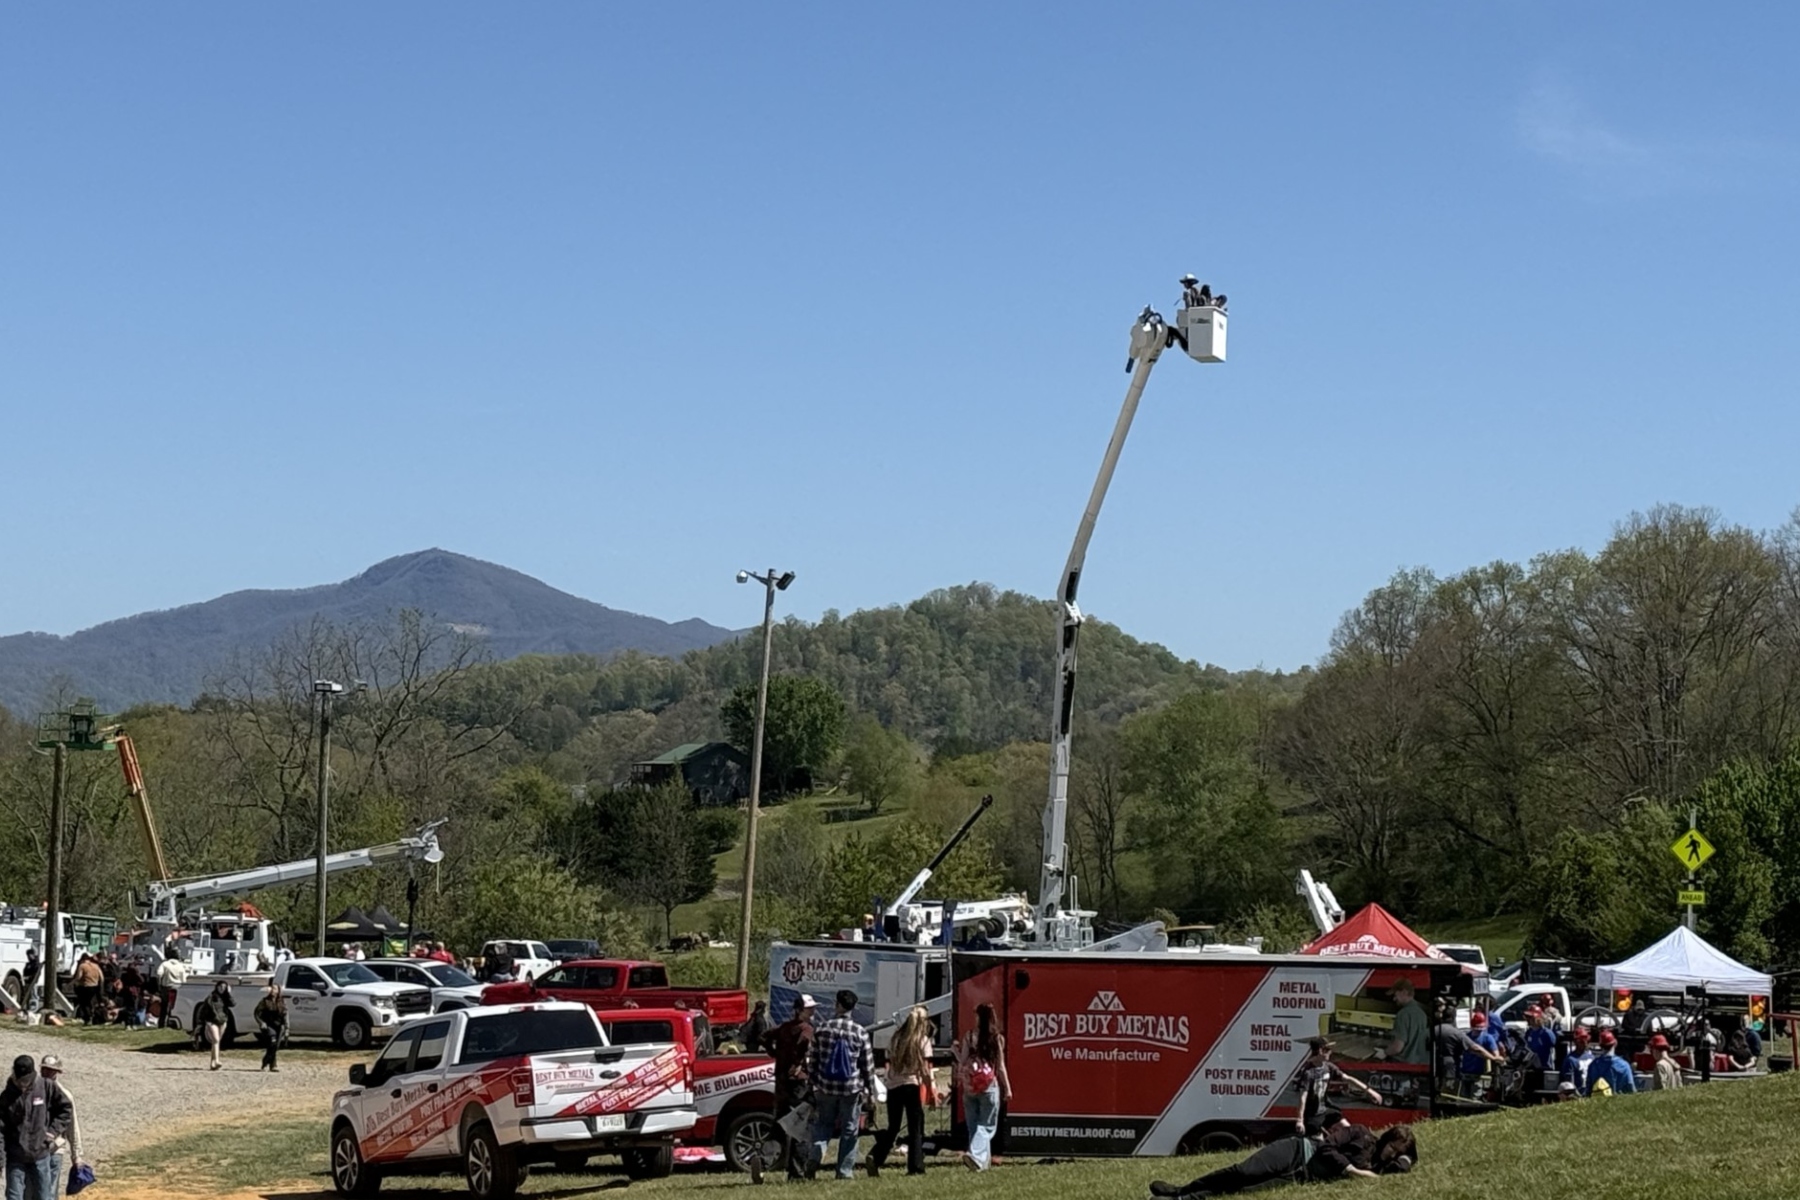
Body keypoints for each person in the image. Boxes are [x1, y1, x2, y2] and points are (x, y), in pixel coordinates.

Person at [1148, 1121, 1415, 1196]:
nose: (1392, 1153)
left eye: (1398, 1152)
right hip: (1298, 1151)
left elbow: (1406, 1165)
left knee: (1244, 1190)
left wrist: (1405, 1156)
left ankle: (1185, 1199)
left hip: (1300, 1175)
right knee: (1243, 1172)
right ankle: (1180, 1190)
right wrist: (1353, 1171)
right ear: (1387, 1138)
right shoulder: (1361, 1134)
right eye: (1393, 1146)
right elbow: (1326, 1147)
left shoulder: (1382, 1166)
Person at [808, 989, 875, 1180]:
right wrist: (870, 1090)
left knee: (823, 1125)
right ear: (853, 1007)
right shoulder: (860, 1032)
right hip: (851, 1088)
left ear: (837, 1005)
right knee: (849, 1130)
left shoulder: (822, 1029)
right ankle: (844, 1171)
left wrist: (813, 1082)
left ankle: (815, 1155)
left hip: (825, 1087)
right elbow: (867, 1065)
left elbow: (813, 1060)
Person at [869, 1006, 935, 1177]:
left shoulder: (896, 1038)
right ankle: (915, 1166)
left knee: (893, 1126)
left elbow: (888, 1061)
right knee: (915, 1128)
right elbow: (925, 1070)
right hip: (911, 1085)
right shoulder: (922, 1040)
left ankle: (876, 1156)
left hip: (893, 1086)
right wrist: (931, 1092)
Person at [1, 1055, 72, 1200]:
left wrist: (52, 1133)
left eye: (26, 1080)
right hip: (16, 1158)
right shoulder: (7, 1096)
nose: (23, 1083)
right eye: (20, 1080)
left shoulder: (46, 1086)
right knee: (14, 1197)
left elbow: (65, 1110)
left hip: (40, 1155)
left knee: (44, 1196)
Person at [954, 1001, 1011, 1171]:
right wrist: (1007, 1088)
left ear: (979, 1017)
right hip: (989, 1086)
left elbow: (963, 1061)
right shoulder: (997, 1038)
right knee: (986, 1126)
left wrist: (955, 1051)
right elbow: (1000, 1066)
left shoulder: (969, 1036)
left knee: (974, 1126)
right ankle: (976, 1156)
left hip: (971, 1086)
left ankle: (981, 1163)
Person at [769, 995, 817, 1180]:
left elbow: (763, 1036)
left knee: (779, 1121)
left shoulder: (784, 1028)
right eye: (809, 1008)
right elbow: (804, 1043)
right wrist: (798, 1063)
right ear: (799, 1010)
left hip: (781, 1079)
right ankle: (796, 1171)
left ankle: (764, 1158)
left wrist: (774, 1053)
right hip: (798, 1082)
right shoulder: (806, 1029)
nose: (812, 1011)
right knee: (799, 1124)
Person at [1293, 1037, 1381, 1137]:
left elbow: (1348, 1078)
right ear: (1321, 1051)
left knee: (1349, 1131)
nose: (1330, 1052)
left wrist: (1369, 1091)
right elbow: (1303, 1097)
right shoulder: (1308, 1072)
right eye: (1328, 1050)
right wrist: (1300, 1120)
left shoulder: (1328, 1067)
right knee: (1317, 1141)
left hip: (1326, 1109)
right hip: (1313, 1115)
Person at [39, 1056, 80, 1196]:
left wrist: (76, 1155)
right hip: (35, 1150)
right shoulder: (33, 1092)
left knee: (50, 1191)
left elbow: (72, 1125)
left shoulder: (65, 1095)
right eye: (44, 1069)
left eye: (51, 1070)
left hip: (55, 1149)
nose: (47, 1073)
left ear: (57, 1072)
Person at [1381, 979, 1430, 1065]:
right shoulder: (1422, 1014)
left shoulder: (1403, 1014)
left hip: (1402, 1063)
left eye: (1395, 995)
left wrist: (1384, 1052)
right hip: (1417, 1063)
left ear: (1404, 992)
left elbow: (1397, 1048)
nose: (1394, 999)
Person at [1459, 1012, 1501, 1098]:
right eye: (1476, 1028)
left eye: (1481, 1028)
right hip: (1465, 1073)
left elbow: (1496, 1054)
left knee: (1476, 1097)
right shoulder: (1466, 1037)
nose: (1478, 1030)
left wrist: (1494, 1057)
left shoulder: (1487, 1038)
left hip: (1479, 1075)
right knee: (1463, 1097)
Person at [1585, 1030, 1636, 1095]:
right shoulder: (1624, 1065)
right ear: (1615, 1044)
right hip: (1619, 1100)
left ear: (1600, 1046)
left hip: (1597, 1100)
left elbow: (1588, 1090)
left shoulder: (1593, 1065)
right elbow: (1630, 1088)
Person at [199, 980, 234, 1071]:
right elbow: (204, 1010)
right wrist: (204, 1021)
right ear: (217, 987)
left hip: (222, 1021)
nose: (222, 989)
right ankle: (217, 1060)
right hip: (212, 1021)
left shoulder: (225, 997)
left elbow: (233, 1004)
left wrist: (229, 994)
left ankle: (212, 1063)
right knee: (216, 1039)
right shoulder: (211, 997)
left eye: (224, 987)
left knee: (216, 1042)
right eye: (220, 987)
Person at [255, 984, 288, 1073]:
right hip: (268, 1025)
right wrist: (261, 1022)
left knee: (275, 1046)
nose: (273, 990)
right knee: (272, 1041)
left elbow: (285, 1015)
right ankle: (267, 1063)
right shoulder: (265, 1001)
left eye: (275, 989)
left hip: (279, 1026)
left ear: (278, 991)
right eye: (272, 988)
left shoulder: (282, 1001)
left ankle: (271, 1064)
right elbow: (257, 1013)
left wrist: (286, 1028)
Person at [156, 952, 189, 1028]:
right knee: (175, 1006)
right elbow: (184, 979)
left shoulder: (165, 964)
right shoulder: (181, 966)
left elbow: (158, 973)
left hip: (167, 987)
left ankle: (162, 1023)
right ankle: (172, 1022)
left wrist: (160, 983)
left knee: (164, 1006)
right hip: (178, 987)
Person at [69, 956, 103, 1026]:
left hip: (85, 986)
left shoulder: (82, 966)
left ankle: (88, 1018)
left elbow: (79, 976)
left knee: (84, 1003)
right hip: (95, 986)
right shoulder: (96, 966)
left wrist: (72, 983)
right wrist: (100, 986)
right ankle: (92, 1016)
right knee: (91, 1002)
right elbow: (102, 977)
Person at [1562, 1027, 1596, 1093]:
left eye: (1586, 1040)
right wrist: (1576, 1095)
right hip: (1577, 1094)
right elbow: (1569, 1083)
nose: (1584, 1043)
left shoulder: (1592, 1058)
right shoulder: (1570, 1060)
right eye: (1581, 1041)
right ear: (1575, 1042)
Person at [1524, 1006, 1557, 1073]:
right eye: (1527, 1017)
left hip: (1544, 1067)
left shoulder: (1546, 1033)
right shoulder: (1529, 1032)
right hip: (1531, 1066)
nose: (1528, 1020)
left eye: (1530, 1017)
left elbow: (1552, 1045)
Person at [19, 950, 40, 1015]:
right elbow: (25, 971)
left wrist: (28, 978)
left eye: (29, 955)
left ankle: (33, 1011)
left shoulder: (36, 964)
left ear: (33, 954)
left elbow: (36, 975)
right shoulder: (28, 964)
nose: (28, 957)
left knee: (33, 996)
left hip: (33, 983)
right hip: (27, 983)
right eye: (27, 955)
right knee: (27, 997)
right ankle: (28, 1010)